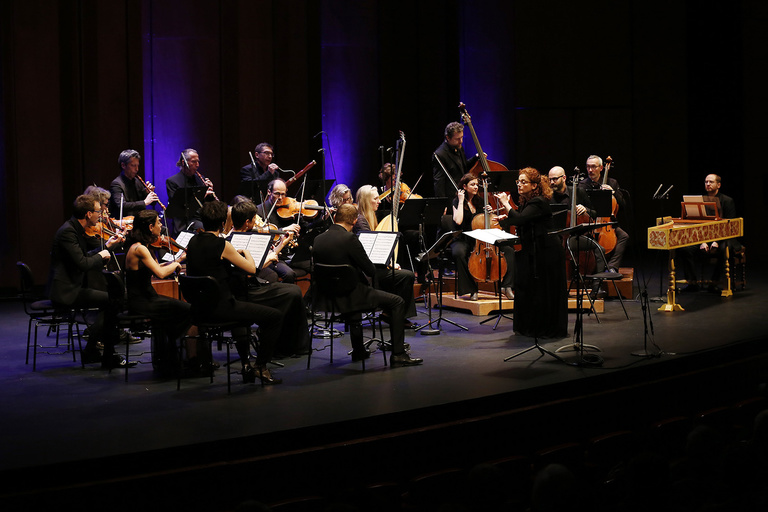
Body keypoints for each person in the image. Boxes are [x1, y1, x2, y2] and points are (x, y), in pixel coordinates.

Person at [312, 203, 423, 367]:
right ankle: (398, 354)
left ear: (335, 218)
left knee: (354, 290)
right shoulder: (350, 239)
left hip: (326, 297)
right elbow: (370, 270)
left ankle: (359, 350)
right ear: (355, 221)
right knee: (397, 301)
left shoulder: (318, 239)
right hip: (352, 297)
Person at [185, 200, 283, 384]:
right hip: (221, 308)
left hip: (199, 309)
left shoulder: (193, 241)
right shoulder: (222, 244)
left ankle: (246, 363)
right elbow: (251, 269)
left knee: (241, 313)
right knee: (274, 316)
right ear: (223, 224)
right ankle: (260, 367)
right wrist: (245, 252)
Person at [48, 194, 130, 368]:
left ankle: (98, 351)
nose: (100, 216)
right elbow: (83, 264)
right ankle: (99, 352)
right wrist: (101, 255)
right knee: (113, 301)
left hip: (73, 286)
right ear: (88, 214)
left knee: (112, 301)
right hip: (66, 291)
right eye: (98, 212)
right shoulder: (68, 232)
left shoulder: (74, 228)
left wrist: (106, 247)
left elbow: (84, 257)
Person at [228, 199, 310, 357]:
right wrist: (271, 257)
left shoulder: (240, 236)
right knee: (291, 293)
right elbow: (252, 269)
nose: (256, 221)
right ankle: (282, 345)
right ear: (247, 222)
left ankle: (286, 344)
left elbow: (261, 261)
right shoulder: (236, 241)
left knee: (292, 291)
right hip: (245, 290)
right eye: (254, 218)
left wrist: (281, 245)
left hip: (251, 285)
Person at [124, 210, 199, 374]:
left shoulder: (142, 247)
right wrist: (176, 264)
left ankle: (173, 358)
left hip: (147, 298)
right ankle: (187, 359)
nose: (161, 226)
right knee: (189, 310)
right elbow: (161, 273)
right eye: (158, 222)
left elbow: (157, 269)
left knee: (181, 310)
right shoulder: (139, 249)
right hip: (142, 302)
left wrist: (177, 260)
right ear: (151, 227)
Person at [496, 167, 568, 338]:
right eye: (518, 181)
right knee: (530, 289)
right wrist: (506, 219)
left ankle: (546, 328)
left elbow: (521, 219)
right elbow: (522, 221)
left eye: (523, 182)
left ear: (535, 185)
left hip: (547, 252)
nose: (519, 185)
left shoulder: (539, 202)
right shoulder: (526, 202)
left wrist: (506, 204)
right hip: (534, 252)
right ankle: (530, 327)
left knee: (544, 291)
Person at [353, 185, 419, 328]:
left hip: (373, 268)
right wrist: (388, 264)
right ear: (366, 201)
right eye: (375, 199)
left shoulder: (368, 218)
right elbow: (368, 252)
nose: (379, 201)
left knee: (404, 274)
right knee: (406, 275)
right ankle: (395, 315)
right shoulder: (360, 221)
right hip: (366, 273)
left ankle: (391, 313)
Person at [449, 173, 515, 301]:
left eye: (476, 184)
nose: (475, 187)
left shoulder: (479, 201)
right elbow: (458, 221)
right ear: (464, 186)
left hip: (480, 239)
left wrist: (489, 213)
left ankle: (507, 286)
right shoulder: (457, 201)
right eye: (472, 184)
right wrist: (462, 200)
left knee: (509, 250)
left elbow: (487, 222)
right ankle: (471, 289)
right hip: (463, 238)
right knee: (459, 252)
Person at [548, 166, 605, 300]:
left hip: (576, 236)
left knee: (599, 249)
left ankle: (597, 287)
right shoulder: (547, 197)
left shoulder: (578, 192)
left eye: (555, 179)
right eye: (550, 179)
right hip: (556, 238)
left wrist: (585, 209)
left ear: (563, 178)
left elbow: (595, 213)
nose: (551, 182)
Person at [679, 174, 740, 292]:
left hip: (724, 237)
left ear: (718, 185)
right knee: (685, 248)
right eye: (706, 182)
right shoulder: (700, 201)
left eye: (711, 182)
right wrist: (702, 241)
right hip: (703, 238)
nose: (708, 184)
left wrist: (716, 241)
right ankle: (692, 282)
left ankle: (714, 282)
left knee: (724, 249)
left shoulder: (727, 201)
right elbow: (697, 223)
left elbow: (730, 225)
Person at [577, 155, 630, 273]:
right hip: (590, 222)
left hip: (608, 223)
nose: (590, 170)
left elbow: (622, 205)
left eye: (593, 167)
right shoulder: (582, 185)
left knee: (624, 236)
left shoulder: (612, 182)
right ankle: (592, 268)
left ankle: (612, 267)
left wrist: (613, 192)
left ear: (601, 168)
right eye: (588, 167)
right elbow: (577, 206)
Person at [166, 148, 217, 236]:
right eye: (194, 162)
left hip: (201, 217)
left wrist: (211, 192)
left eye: (198, 161)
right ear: (184, 162)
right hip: (185, 220)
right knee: (205, 229)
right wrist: (201, 196)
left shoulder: (200, 179)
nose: (197, 165)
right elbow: (178, 207)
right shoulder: (172, 181)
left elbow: (209, 203)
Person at [432, 121, 478, 198]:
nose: (461, 141)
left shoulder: (459, 147)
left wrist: (476, 158)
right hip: (451, 197)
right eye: (457, 139)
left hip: (462, 195)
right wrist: (442, 204)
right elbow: (439, 182)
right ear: (448, 138)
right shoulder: (440, 154)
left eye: (462, 137)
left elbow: (464, 167)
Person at [109, 149, 160, 219]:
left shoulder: (137, 181)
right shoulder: (116, 184)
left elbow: (152, 203)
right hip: (124, 223)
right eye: (133, 165)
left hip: (138, 221)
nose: (137, 169)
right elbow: (121, 206)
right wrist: (144, 202)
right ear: (123, 165)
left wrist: (148, 193)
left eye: (137, 165)